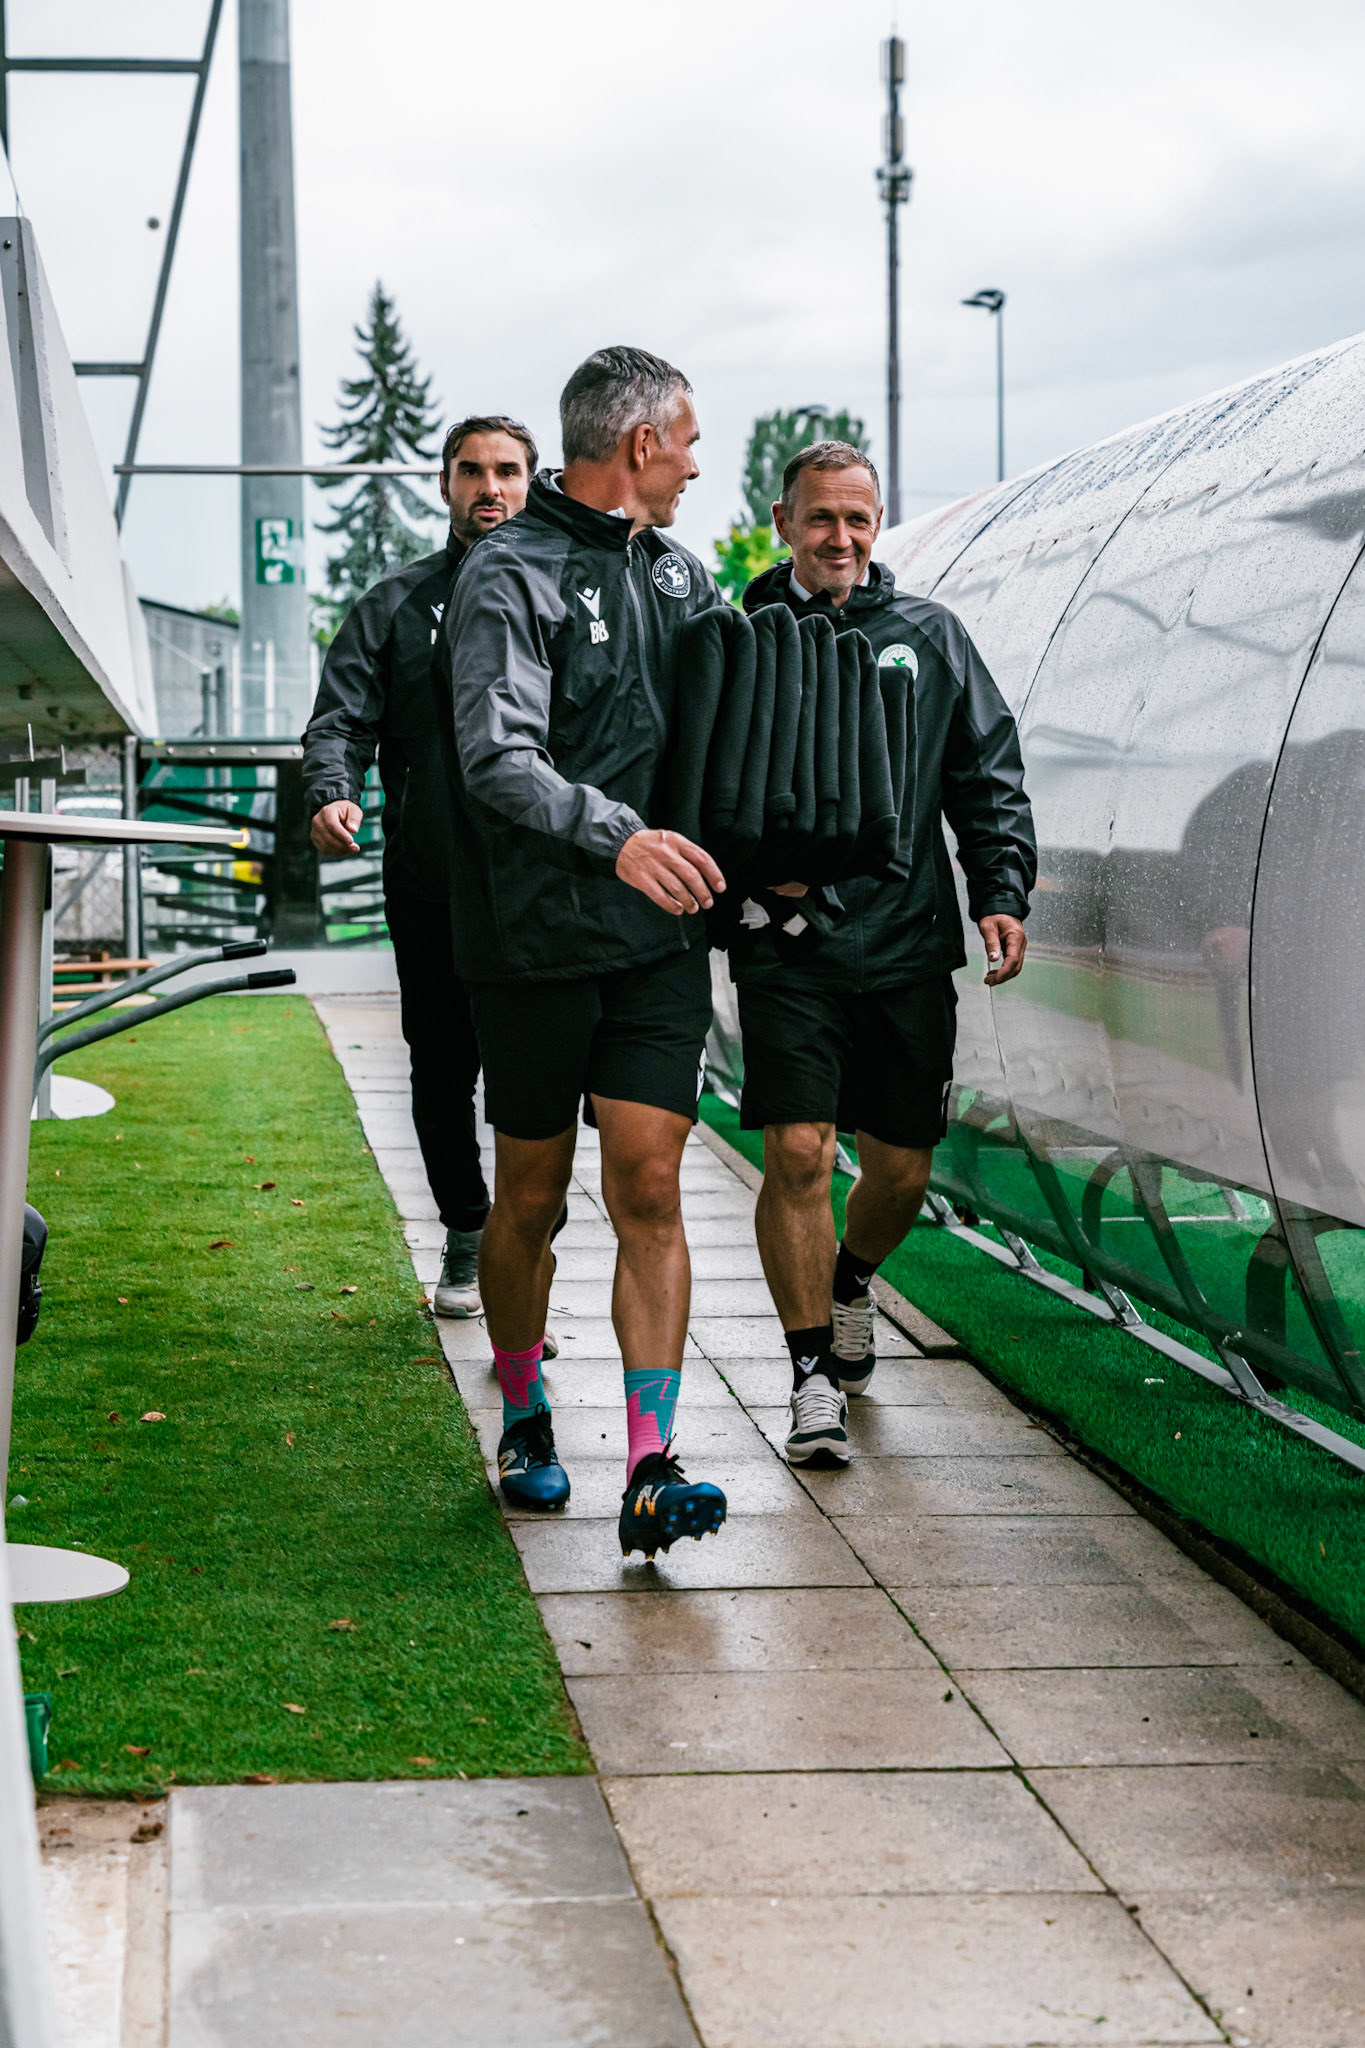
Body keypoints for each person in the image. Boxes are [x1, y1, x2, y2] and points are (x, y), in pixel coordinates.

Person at [443, 345, 729, 1555]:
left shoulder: (687, 576)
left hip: (655, 942)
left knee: (652, 1185)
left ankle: (654, 1464)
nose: (699, 461)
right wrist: (617, 836)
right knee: (533, 1198)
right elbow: (497, 757)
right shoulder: (510, 574)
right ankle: (523, 1409)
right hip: (535, 941)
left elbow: (736, 737)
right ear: (638, 444)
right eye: (688, 440)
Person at [736, 440, 1036, 1467]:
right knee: (800, 1151)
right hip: (787, 948)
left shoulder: (930, 637)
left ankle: (853, 1278)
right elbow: (694, 785)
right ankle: (811, 1368)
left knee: (903, 1165)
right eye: (822, 518)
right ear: (783, 521)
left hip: (907, 944)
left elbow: (986, 774)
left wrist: (1000, 889)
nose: (842, 539)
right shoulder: (738, 639)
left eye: (859, 519)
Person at [303, 416, 538, 1322]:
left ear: (531, 479)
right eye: (472, 471)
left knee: (531, 1080)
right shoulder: (396, 603)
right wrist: (334, 789)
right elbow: (341, 719)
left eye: (508, 471)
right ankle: (468, 1233)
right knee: (442, 1070)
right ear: (444, 485)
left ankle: (526, 1266)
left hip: (539, 890)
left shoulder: (573, 594)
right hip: (433, 884)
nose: (490, 487)